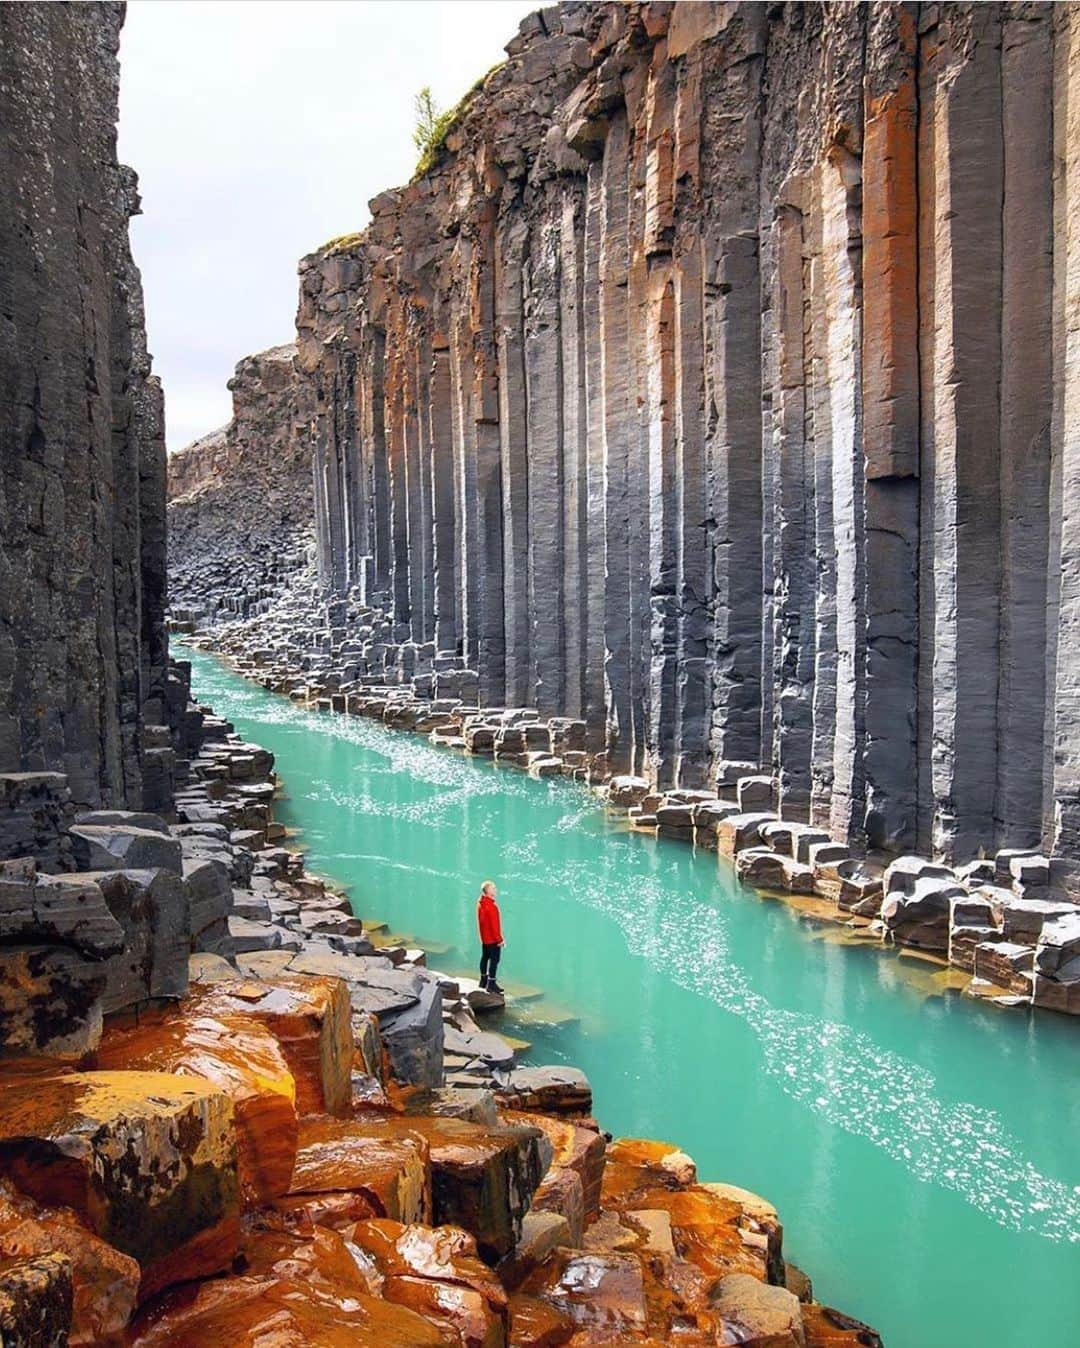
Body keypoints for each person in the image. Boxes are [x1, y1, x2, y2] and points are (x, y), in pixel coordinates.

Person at [477, 880, 505, 994]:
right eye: (493, 888)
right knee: (495, 960)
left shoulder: (480, 903)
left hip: (484, 938)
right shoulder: (492, 907)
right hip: (493, 939)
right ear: (488, 891)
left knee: (485, 957)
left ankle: (483, 980)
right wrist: (500, 940)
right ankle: (491, 984)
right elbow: (495, 926)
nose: (495, 890)